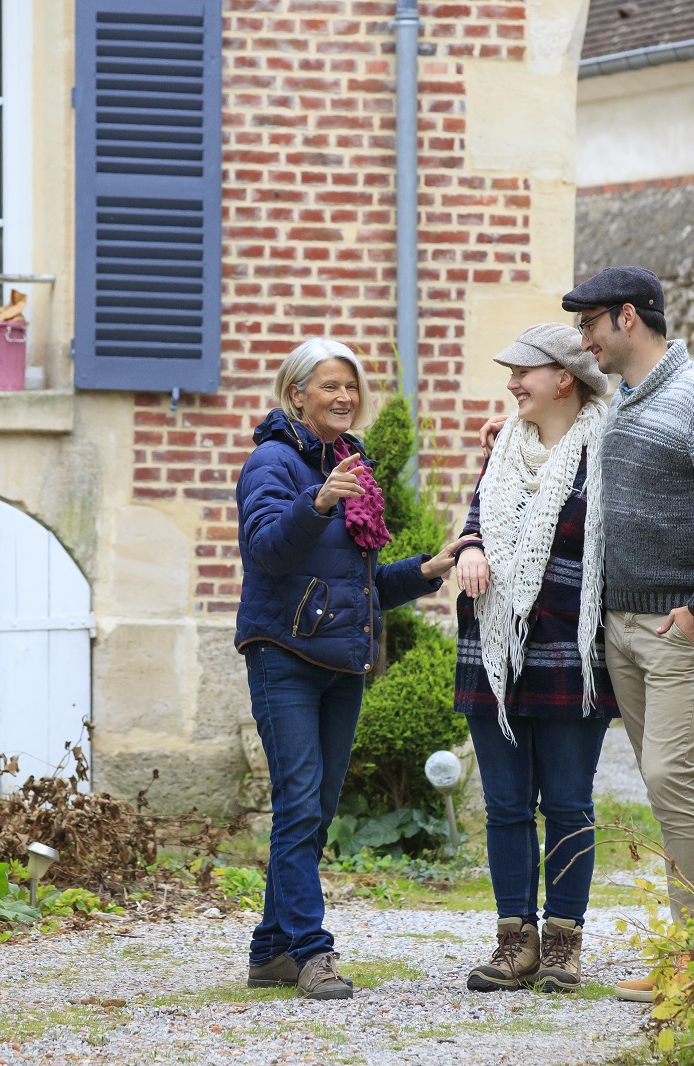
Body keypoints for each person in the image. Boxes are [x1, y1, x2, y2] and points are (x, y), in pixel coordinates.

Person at [480, 267, 694, 1003]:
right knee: (686, 783)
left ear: (627, 319)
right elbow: (566, 454)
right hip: (617, 627)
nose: (584, 343)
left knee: (671, 780)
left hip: (683, 629)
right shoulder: (627, 407)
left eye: (590, 327)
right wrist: (510, 431)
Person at [235, 338, 474, 1001]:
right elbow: (266, 553)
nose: (344, 398)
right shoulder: (272, 464)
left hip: (342, 661)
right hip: (284, 657)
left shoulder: (351, 464)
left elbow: (355, 583)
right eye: (330, 386)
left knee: (317, 809)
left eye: (351, 387)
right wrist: (314, 504)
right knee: (299, 804)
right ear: (297, 396)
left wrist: (424, 571)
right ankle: (312, 952)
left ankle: (270, 951)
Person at [451, 323, 620, 996]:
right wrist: (468, 548)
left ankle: (562, 945)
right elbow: (475, 521)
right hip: (492, 652)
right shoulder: (502, 453)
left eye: (526, 370)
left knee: (570, 805)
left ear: (565, 379)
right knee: (506, 807)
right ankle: (512, 943)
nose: (513, 382)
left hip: (571, 656)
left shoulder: (608, 449)